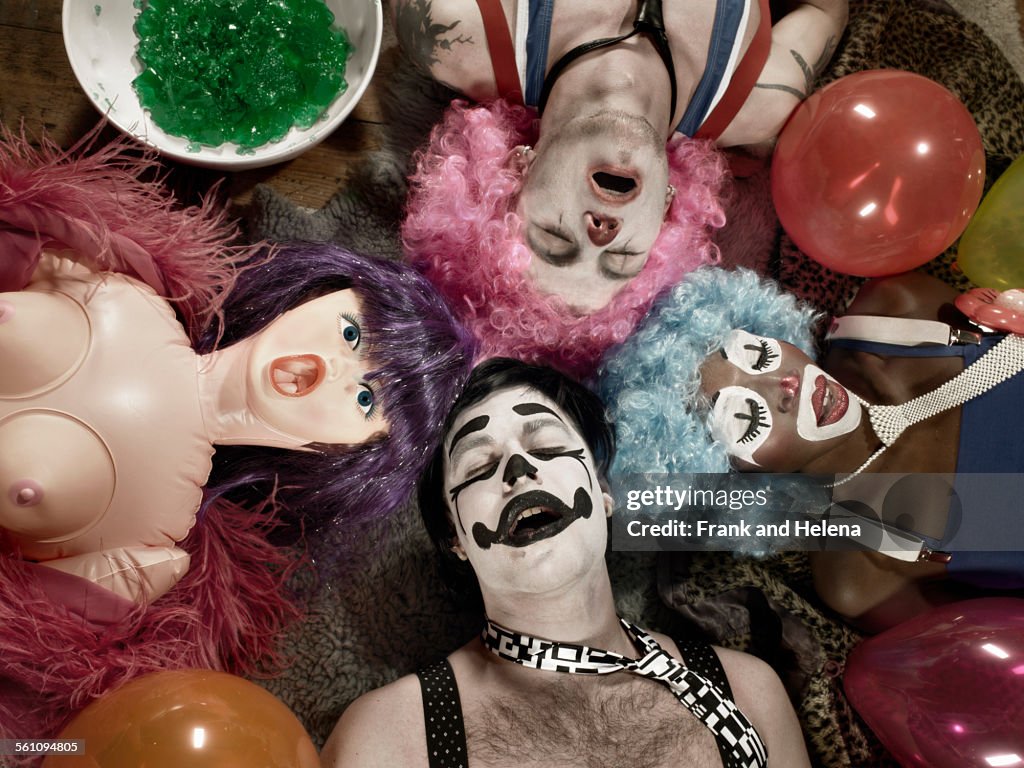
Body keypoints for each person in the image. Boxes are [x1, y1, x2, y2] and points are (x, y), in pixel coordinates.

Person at [0, 130, 476, 739]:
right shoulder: (131, 276)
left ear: (342, 457)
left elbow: (29, 699)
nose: (327, 367)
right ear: (318, 295)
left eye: (365, 399)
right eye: (352, 334)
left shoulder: (158, 551)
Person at [321, 357, 810, 767]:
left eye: (547, 445)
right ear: (455, 538)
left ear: (603, 493)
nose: (518, 468)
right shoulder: (391, 740)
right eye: (478, 466)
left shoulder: (748, 692)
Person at [597, 267, 1024, 632]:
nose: (785, 385)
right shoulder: (861, 576)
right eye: (746, 418)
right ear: (734, 479)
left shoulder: (896, 311)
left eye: (759, 355)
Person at [395, 0, 848, 322]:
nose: (598, 234)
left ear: (519, 168)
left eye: (554, 237)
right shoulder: (758, 103)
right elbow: (827, 10)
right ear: (666, 208)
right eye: (623, 256)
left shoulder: (449, 33)